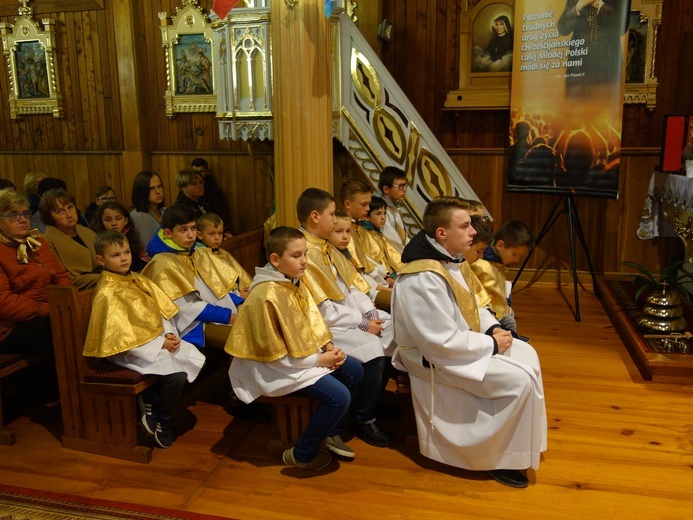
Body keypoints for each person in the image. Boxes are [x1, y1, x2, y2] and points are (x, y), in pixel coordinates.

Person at [391, 196, 547, 489]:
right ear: (442, 233)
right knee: (519, 381)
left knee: (527, 354)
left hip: (464, 344)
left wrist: (494, 330)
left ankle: (521, 446)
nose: (474, 232)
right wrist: (490, 345)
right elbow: (439, 342)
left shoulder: (453, 261)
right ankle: (498, 458)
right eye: (465, 226)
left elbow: (477, 305)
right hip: (433, 359)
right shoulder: (422, 277)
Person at [226, 227, 365, 470]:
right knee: (339, 397)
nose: (304, 261)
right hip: (274, 369)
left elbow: (313, 320)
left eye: (306, 254)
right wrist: (321, 360)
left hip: (302, 358)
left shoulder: (292, 281)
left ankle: (330, 432)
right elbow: (274, 356)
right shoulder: (265, 295)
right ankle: (301, 454)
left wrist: (329, 346)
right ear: (275, 259)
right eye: (297, 255)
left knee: (355, 371)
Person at [83, 230, 205, 449]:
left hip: (155, 341)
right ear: (101, 260)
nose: (124, 258)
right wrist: (160, 344)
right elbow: (120, 334)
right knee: (176, 376)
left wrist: (168, 333)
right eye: (116, 255)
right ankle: (164, 418)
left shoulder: (136, 278)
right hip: (129, 350)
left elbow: (159, 311)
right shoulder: (107, 291)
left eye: (127, 252)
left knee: (189, 360)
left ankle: (152, 401)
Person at [297, 188, 392, 447]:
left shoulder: (327, 248)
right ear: (316, 217)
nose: (334, 218)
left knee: (393, 327)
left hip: (345, 314)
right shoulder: (305, 252)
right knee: (372, 347)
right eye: (331, 214)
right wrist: (363, 323)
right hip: (323, 326)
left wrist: (370, 314)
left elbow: (351, 286)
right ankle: (364, 418)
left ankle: (372, 401)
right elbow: (322, 309)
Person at [142, 205, 240, 350]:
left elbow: (218, 289)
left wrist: (240, 303)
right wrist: (230, 317)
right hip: (191, 325)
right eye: (183, 230)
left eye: (193, 228)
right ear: (168, 233)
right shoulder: (163, 263)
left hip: (217, 314)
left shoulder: (197, 253)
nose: (190, 235)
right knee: (241, 338)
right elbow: (186, 309)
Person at [0, 189, 72, 366]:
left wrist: (65, 300)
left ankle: (92, 381)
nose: (23, 219)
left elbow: (61, 275)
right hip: (10, 326)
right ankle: (63, 388)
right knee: (52, 327)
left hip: (49, 310)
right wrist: (48, 309)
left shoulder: (35, 240)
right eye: (13, 215)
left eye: (25, 213)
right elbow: (3, 302)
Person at [471, 220, 534, 334]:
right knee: (509, 323)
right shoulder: (481, 266)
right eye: (514, 254)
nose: (516, 260)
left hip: (499, 310)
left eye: (519, 256)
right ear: (500, 245)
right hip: (488, 316)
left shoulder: (496, 263)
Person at [557, 0, 629, 97]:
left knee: (605, 103)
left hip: (607, 64)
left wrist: (601, 5)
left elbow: (622, 27)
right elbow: (563, 29)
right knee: (576, 106)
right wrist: (580, 5)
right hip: (578, 66)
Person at [340, 179, 392, 309]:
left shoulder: (358, 228)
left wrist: (387, 279)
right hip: (362, 290)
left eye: (368, 204)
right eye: (363, 205)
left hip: (375, 283)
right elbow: (355, 270)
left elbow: (368, 261)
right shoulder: (343, 232)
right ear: (348, 204)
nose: (368, 209)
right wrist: (384, 287)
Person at [40, 188, 100, 290]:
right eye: (60, 211)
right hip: (79, 291)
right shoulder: (47, 241)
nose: (69, 214)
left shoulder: (87, 232)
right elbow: (64, 278)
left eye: (70, 207)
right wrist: (105, 277)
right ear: (49, 217)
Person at [195, 213, 251, 299]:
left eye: (220, 233)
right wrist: (238, 295)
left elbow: (242, 277)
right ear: (200, 235)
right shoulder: (200, 255)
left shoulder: (222, 252)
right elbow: (216, 286)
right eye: (211, 234)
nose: (217, 238)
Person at [90, 201, 147, 272]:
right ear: (101, 221)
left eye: (118, 219)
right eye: (108, 220)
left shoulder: (132, 237)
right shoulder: (95, 240)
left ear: (126, 220)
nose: (114, 223)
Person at [359, 196, 404, 284]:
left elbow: (392, 254)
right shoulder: (364, 235)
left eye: (385, 213)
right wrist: (387, 276)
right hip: (380, 278)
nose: (383, 217)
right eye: (378, 214)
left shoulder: (379, 234)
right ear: (367, 217)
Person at [129, 171, 166, 253]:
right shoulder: (138, 216)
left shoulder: (164, 211)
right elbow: (147, 250)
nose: (158, 191)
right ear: (141, 192)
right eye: (152, 188)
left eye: (159, 186)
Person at [376, 166, 411, 253]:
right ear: (386, 189)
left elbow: (403, 237)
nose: (405, 189)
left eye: (405, 185)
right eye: (401, 186)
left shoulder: (394, 207)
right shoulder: (382, 211)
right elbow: (394, 242)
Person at [191, 158, 229, 227]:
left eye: (201, 171)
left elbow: (218, 213)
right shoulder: (187, 190)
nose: (198, 174)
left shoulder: (214, 190)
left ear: (206, 172)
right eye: (195, 172)